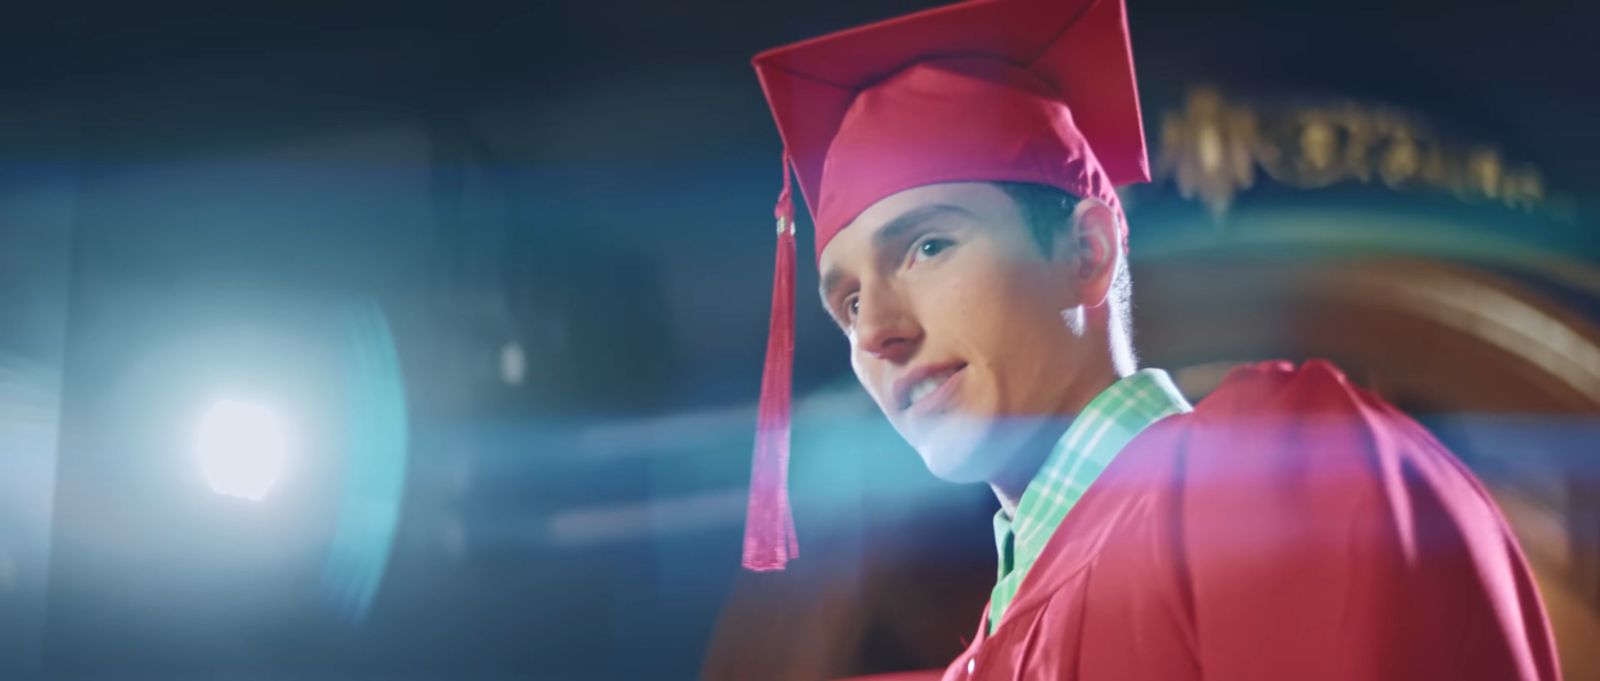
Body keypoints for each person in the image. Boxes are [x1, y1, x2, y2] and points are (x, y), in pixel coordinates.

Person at [737, 0, 1561, 679]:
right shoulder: (977, 653)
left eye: (927, 247)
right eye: (846, 302)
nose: (876, 331)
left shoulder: (1277, 481)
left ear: (1088, 252)